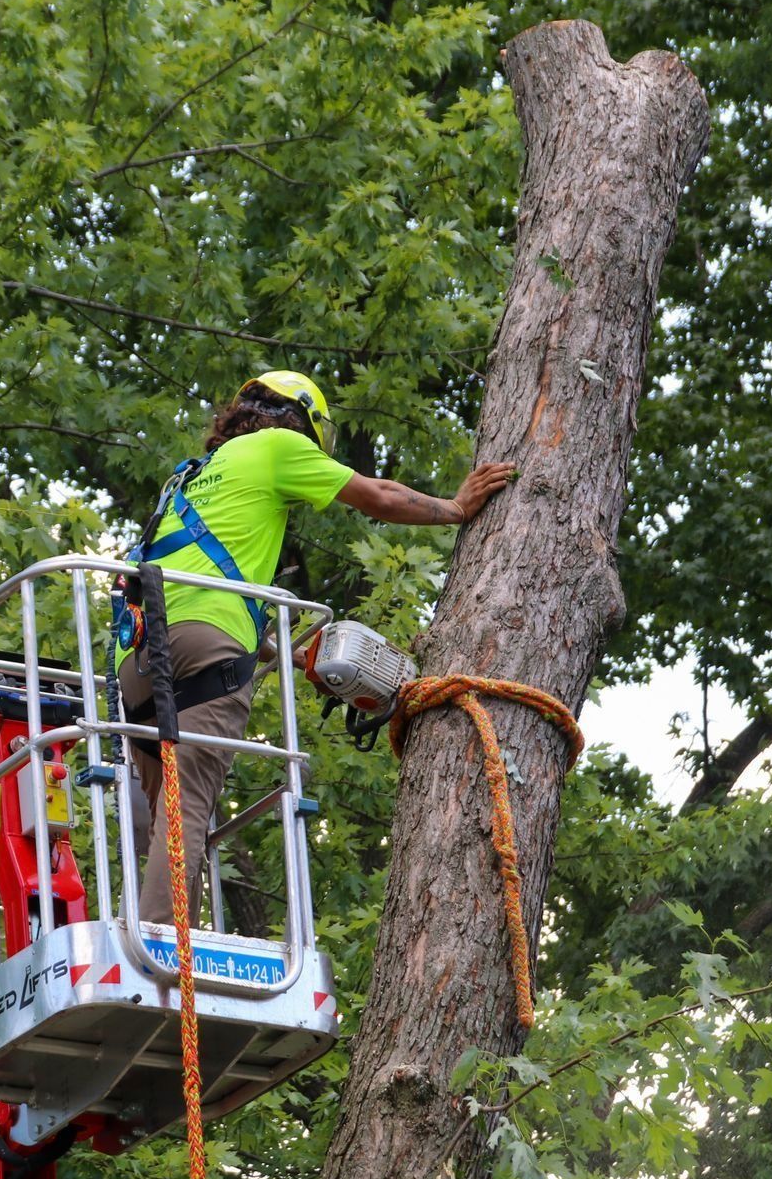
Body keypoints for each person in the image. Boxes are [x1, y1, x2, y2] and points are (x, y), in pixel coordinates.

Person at [117, 370, 515, 926]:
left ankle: (141, 932)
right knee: (186, 811)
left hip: (137, 659)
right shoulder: (279, 446)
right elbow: (376, 496)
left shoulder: (189, 479)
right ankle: (160, 950)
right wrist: (455, 508)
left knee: (164, 818)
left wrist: (297, 655)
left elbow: (198, 587)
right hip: (205, 649)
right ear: (300, 420)